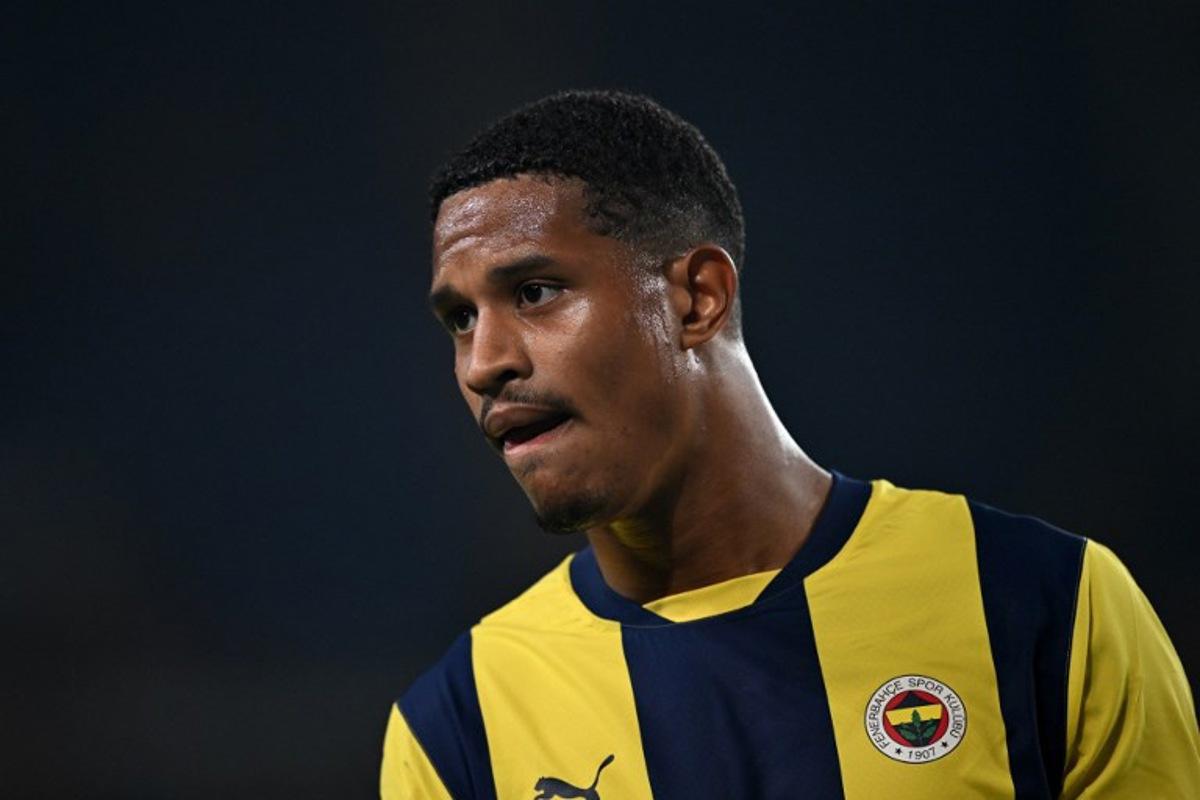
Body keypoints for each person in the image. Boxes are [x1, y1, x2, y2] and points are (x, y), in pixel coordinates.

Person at [381, 90, 1199, 799]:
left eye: (535, 291)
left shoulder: (1044, 606)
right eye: (460, 319)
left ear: (697, 297)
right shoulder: (458, 728)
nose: (485, 362)